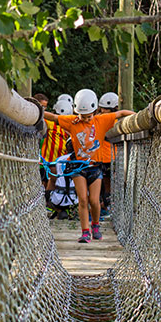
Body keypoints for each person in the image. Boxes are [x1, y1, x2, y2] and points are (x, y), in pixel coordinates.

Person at [44, 89, 132, 243]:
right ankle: (85, 231)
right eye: (82, 116)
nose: (85, 119)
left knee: (94, 201)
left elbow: (121, 113)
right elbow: (54, 117)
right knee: (83, 199)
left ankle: (96, 225)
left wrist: (139, 115)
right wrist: (36, 109)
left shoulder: (101, 121)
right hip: (78, 167)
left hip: (94, 167)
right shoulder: (72, 122)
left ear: (94, 111)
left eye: (88, 116)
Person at [97, 92, 120, 219]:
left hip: (107, 157)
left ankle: (105, 207)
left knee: (105, 185)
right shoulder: (115, 120)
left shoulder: (100, 118)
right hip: (108, 157)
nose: (103, 110)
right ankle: (106, 207)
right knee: (107, 185)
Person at [40, 97, 71, 184]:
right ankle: (47, 196)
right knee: (49, 182)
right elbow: (47, 117)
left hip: (62, 162)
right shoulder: (50, 123)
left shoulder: (69, 127)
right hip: (49, 161)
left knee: (57, 183)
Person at [46, 140, 78, 220]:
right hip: (75, 199)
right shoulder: (81, 160)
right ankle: (74, 211)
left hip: (58, 199)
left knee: (52, 180)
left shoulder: (59, 160)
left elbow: (54, 179)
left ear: (66, 150)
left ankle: (58, 210)